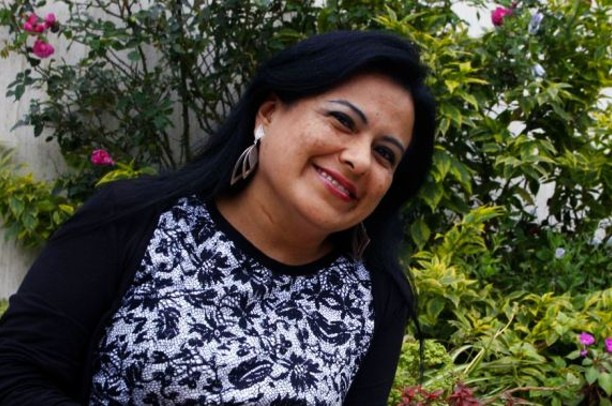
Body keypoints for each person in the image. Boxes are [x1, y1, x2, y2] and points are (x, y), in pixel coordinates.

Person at [0, 30, 436, 405]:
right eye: (342, 121)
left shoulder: (374, 295)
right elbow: (15, 372)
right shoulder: (134, 218)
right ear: (269, 114)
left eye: (385, 153)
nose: (360, 159)